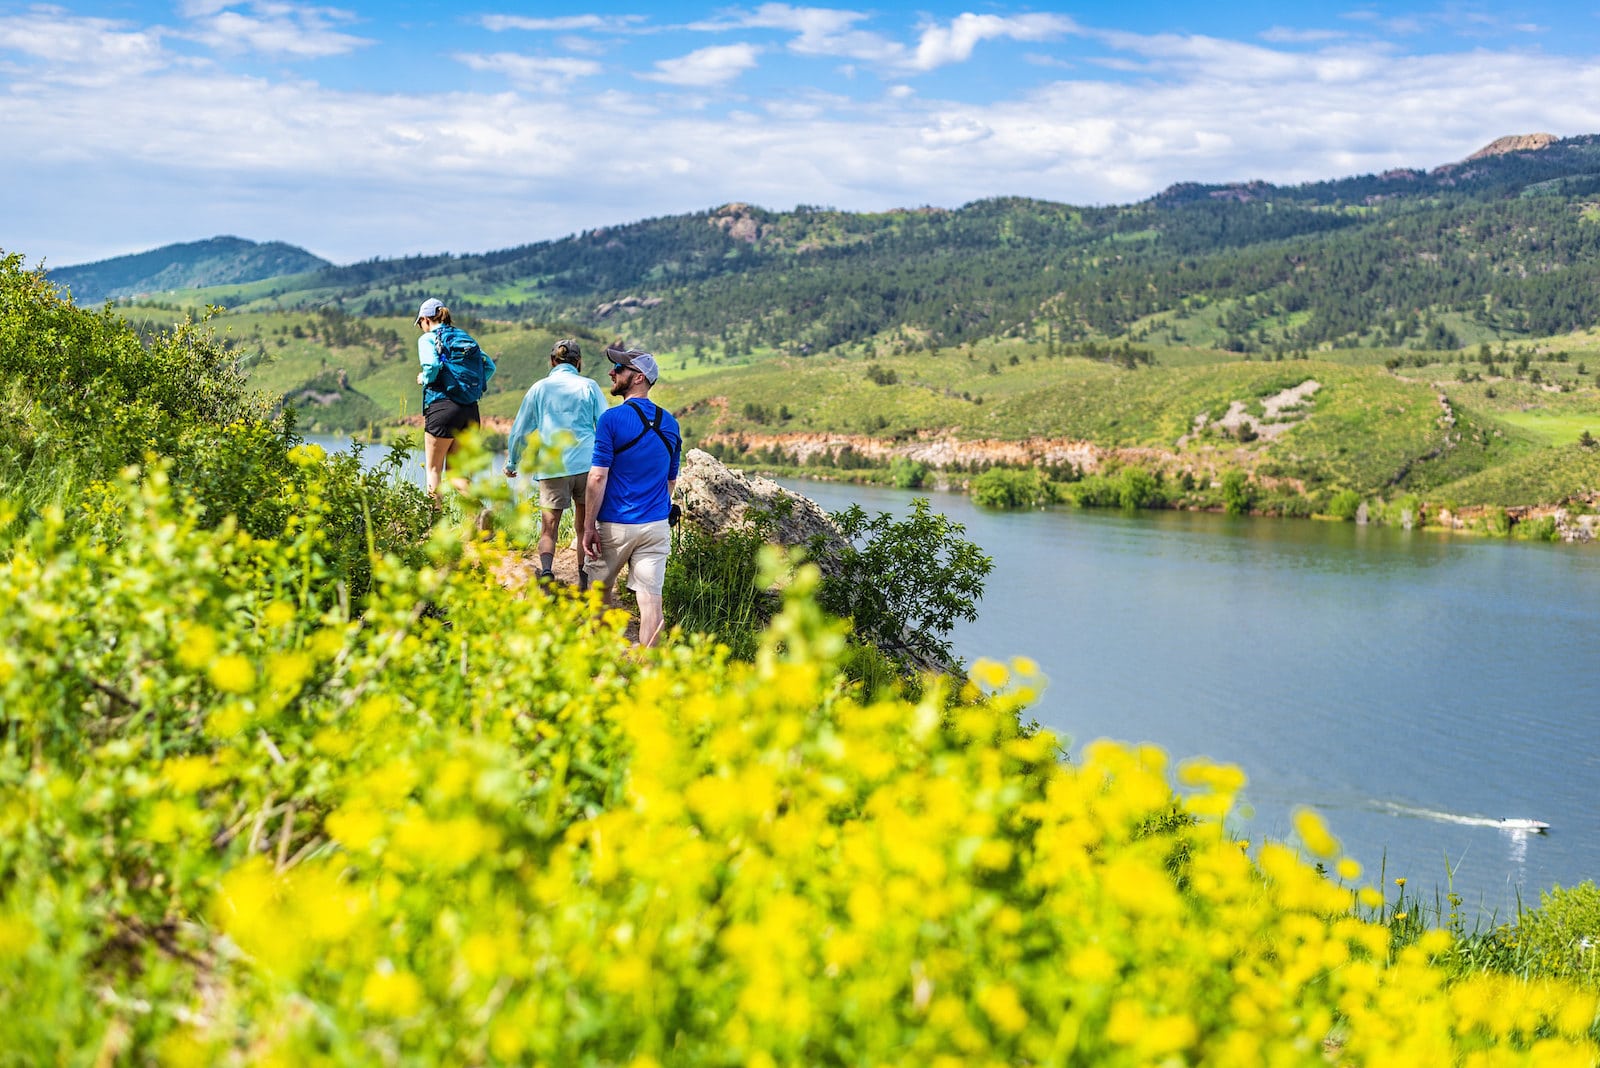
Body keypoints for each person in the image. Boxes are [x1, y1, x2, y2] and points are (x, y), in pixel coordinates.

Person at [581, 342, 681, 647]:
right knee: (651, 601)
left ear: (638, 377)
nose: (613, 372)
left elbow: (598, 477)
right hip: (655, 526)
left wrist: (587, 526)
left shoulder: (611, 420)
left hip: (615, 525)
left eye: (620, 369)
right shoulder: (671, 424)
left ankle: (597, 656)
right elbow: (670, 482)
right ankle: (651, 672)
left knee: (599, 591)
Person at [504, 338, 607, 585]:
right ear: (579, 362)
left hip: (553, 466)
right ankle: (584, 580)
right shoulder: (590, 386)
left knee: (549, 527)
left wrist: (513, 463)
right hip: (587, 464)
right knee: (584, 527)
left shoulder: (539, 388)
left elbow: (520, 430)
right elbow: (604, 424)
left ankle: (547, 572)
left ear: (552, 361)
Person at [415, 298, 495, 499]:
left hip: (442, 408)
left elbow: (432, 366)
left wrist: (424, 378)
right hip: (470, 411)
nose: (421, 328)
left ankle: (433, 526)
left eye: (420, 324)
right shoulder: (464, 337)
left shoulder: (428, 339)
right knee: (456, 475)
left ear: (425, 319)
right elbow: (489, 366)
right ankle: (479, 520)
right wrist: (469, 388)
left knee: (433, 470)